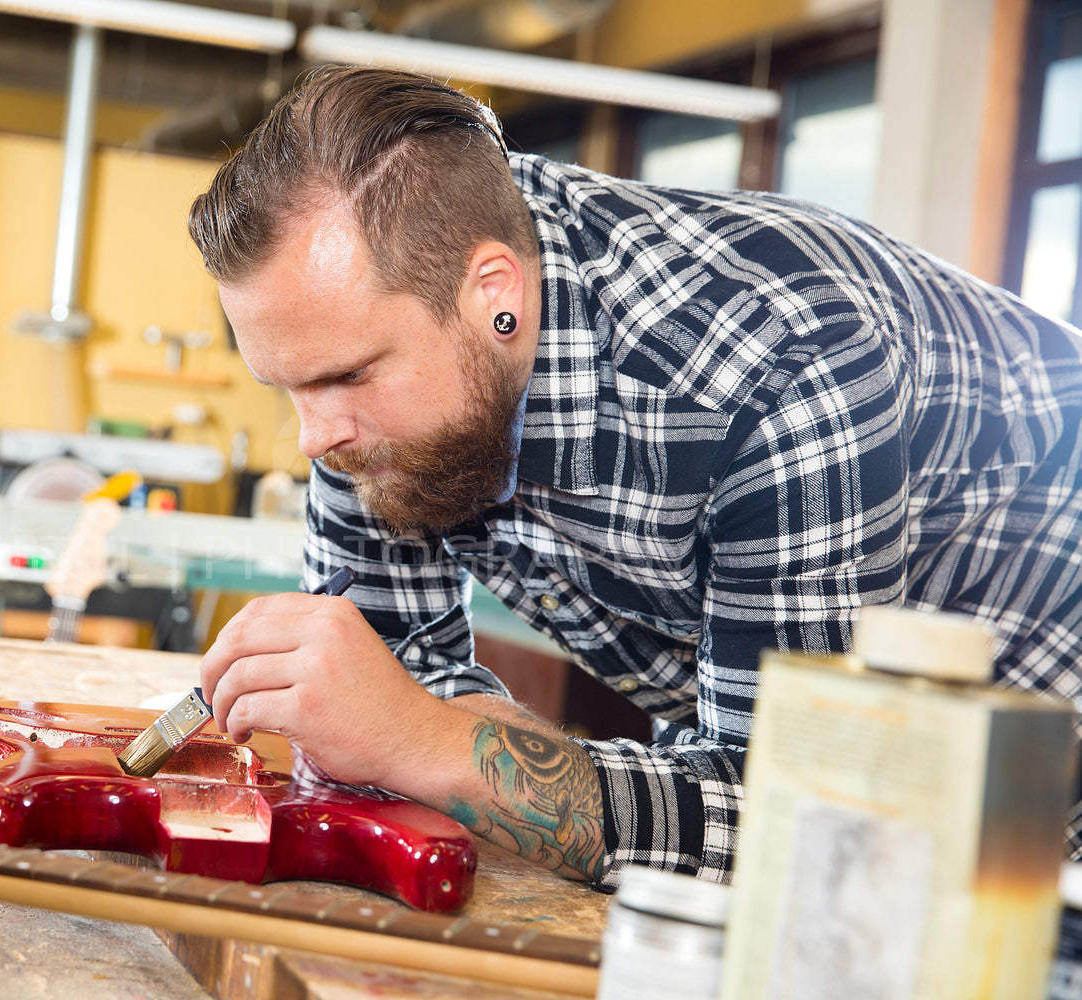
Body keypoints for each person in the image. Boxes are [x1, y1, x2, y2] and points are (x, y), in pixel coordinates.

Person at [187, 65, 1082, 887]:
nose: (313, 439)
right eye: (286, 386)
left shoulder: (776, 361)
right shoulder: (393, 320)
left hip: (1044, 660)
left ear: (493, 294)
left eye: (344, 377)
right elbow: (391, 685)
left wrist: (426, 741)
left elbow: (800, 823)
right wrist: (405, 733)